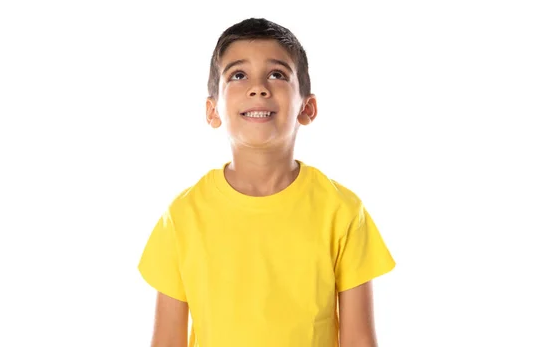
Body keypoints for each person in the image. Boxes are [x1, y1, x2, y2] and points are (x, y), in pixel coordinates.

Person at [138, 18, 396, 347]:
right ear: (212, 110)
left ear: (308, 107)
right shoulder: (182, 217)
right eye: (238, 75)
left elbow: (359, 339)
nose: (258, 87)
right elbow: (166, 341)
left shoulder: (343, 211)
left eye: (276, 74)